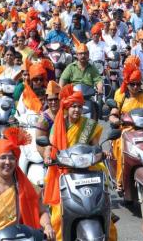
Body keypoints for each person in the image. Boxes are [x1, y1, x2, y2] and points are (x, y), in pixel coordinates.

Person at [43, 85, 117, 241]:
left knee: (103, 196)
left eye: (79, 106)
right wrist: (48, 156)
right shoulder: (58, 125)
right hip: (65, 169)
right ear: (67, 108)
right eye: (73, 106)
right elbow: (50, 146)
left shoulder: (89, 125)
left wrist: (102, 153)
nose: (76, 110)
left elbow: (95, 146)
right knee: (57, 213)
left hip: (88, 167)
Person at [109, 63, 143, 190]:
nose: (135, 87)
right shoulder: (120, 95)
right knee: (120, 145)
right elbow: (113, 113)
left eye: (138, 84)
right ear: (127, 83)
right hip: (126, 131)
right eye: (132, 84)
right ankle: (120, 180)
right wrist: (115, 120)